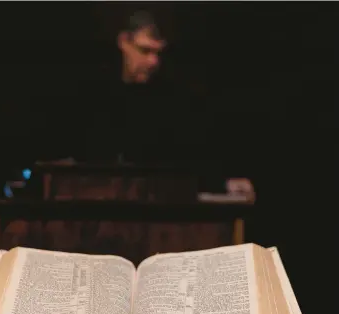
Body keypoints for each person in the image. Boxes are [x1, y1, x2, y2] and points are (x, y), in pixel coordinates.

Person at [49, 10, 255, 198]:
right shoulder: (89, 91)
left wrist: (222, 183)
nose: (153, 62)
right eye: (145, 51)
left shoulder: (171, 97)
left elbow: (188, 158)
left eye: (158, 53)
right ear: (123, 42)